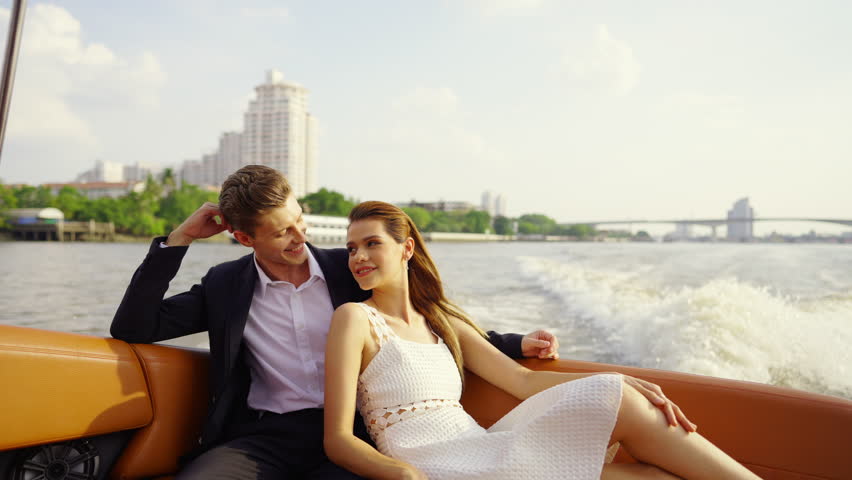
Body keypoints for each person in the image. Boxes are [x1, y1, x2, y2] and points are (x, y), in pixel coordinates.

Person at [110, 165, 558, 480]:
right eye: (282, 231)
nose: (300, 236)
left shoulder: (351, 268)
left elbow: (419, 316)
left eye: (299, 219)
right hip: (263, 438)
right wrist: (179, 239)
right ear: (244, 238)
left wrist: (515, 343)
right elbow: (134, 327)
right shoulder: (225, 284)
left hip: (355, 434)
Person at [323, 201, 762, 480]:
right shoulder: (355, 320)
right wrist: (401, 475)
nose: (358, 258)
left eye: (371, 244)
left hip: (483, 446)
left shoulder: (442, 320)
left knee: (628, 412)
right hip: (434, 464)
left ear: (406, 249)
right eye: (351, 248)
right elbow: (338, 438)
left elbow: (522, 382)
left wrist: (621, 376)